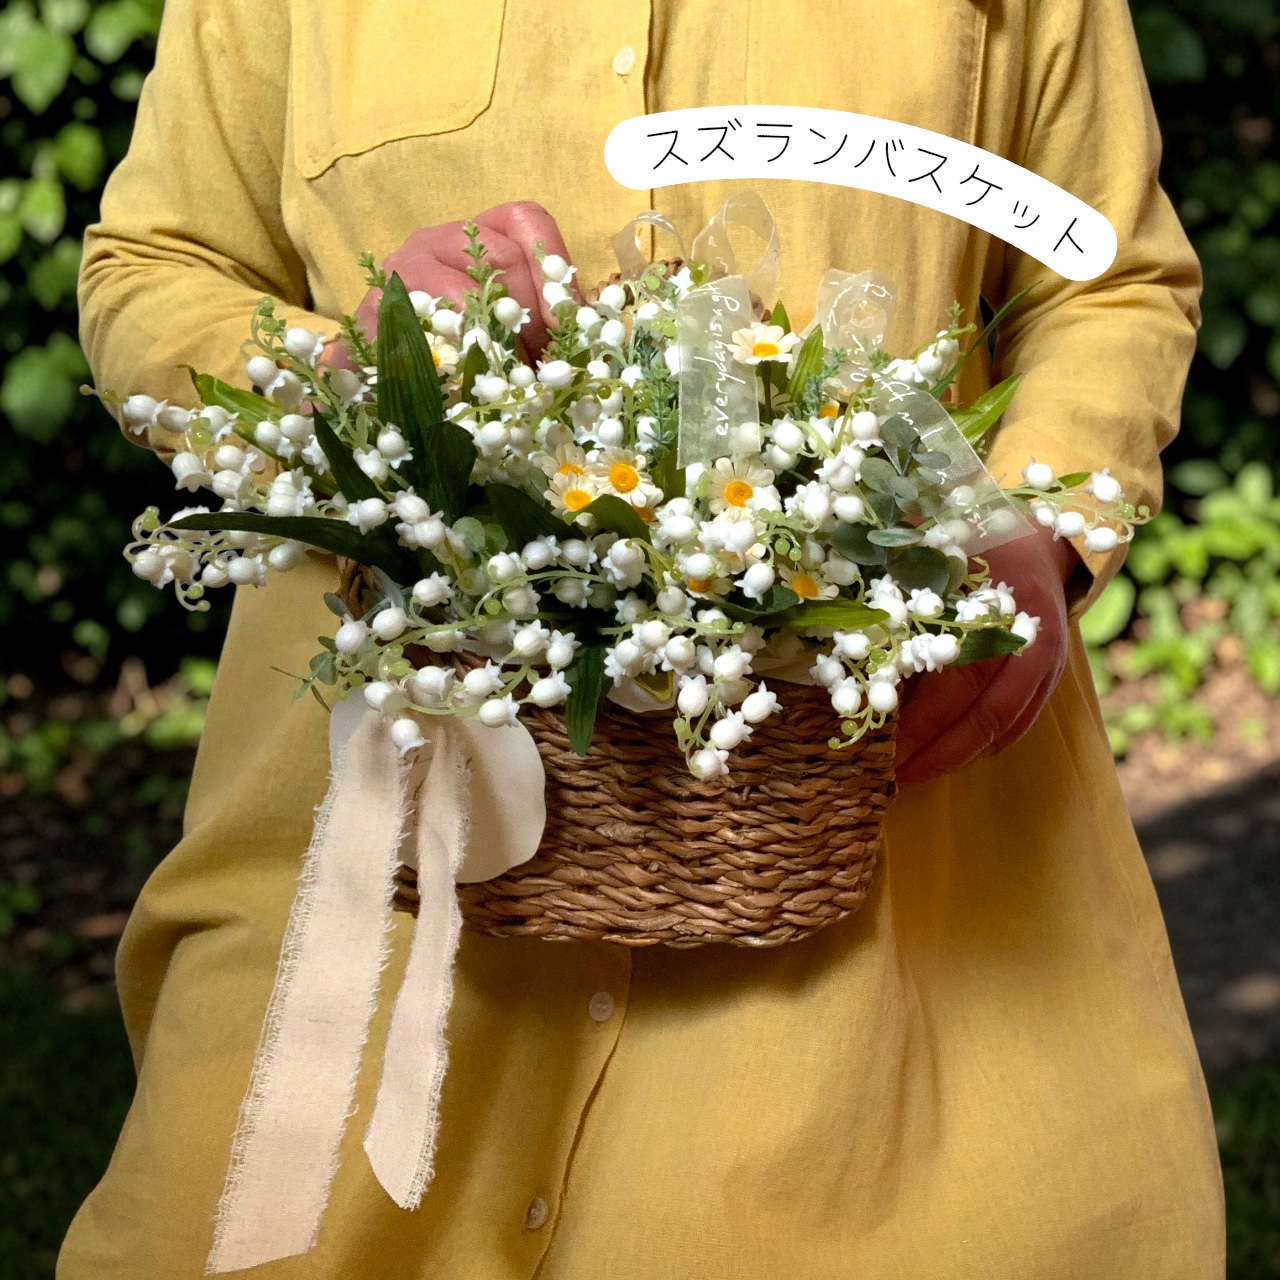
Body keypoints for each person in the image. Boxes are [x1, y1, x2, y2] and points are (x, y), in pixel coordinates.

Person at [61, 1, 1225, 1276]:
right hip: (369, 871)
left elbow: (1108, 278)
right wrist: (350, 357)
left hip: (891, 898)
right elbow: (153, 267)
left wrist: (1040, 520)